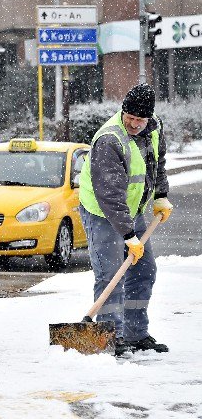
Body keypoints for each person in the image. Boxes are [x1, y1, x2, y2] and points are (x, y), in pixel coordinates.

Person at [79, 83, 173, 356]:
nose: (133, 123)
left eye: (139, 120)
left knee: (144, 271)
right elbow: (109, 195)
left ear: (149, 118)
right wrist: (129, 236)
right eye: (129, 117)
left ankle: (135, 333)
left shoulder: (154, 128)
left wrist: (160, 196)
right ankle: (112, 337)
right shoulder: (110, 139)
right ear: (123, 112)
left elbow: (158, 164)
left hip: (131, 210)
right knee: (110, 275)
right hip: (102, 212)